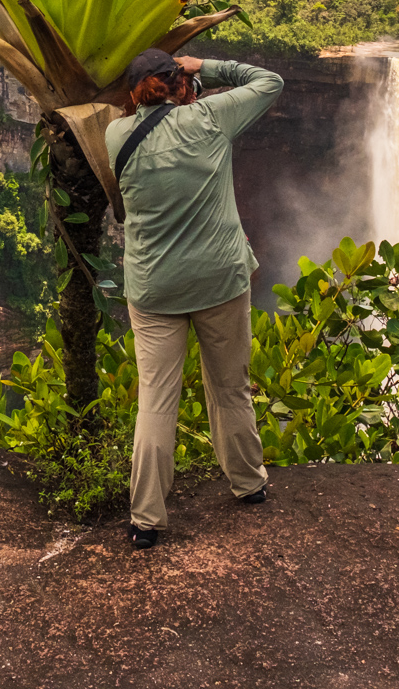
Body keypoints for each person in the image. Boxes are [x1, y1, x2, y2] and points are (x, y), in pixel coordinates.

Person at [104, 48, 284, 550]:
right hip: (220, 281)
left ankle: (146, 519)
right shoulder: (209, 118)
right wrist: (203, 68)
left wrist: (169, 90)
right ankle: (249, 484)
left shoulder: (117, 134)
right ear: (179, 85)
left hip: (155, 288)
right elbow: (268, 80)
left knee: (156, 401)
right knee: (230, 387)